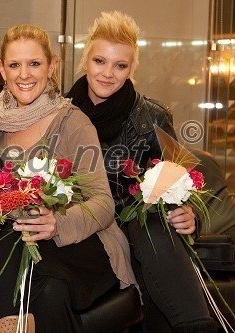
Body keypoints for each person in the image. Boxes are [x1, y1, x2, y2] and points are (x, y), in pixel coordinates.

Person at [65, 11, 217, 333]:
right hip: (88, 235)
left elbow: (183, 185)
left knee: (152, 223)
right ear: (85, 61)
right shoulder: (59, 116)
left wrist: (190, 215)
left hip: (143, 236)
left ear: (132, 68)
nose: (108, 73)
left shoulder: (153, 117)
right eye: (100, 61)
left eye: (120, 65)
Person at [0, 24, 136, 333]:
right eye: (15, 64)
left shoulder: (73, 122)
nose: (24, 74)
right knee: (20, 248)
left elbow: (104, 204)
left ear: (52, 65)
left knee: (49, 284)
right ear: (1, 68)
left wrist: (57, 222)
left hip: (84, 243)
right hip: (19, 243)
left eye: (34, 63)